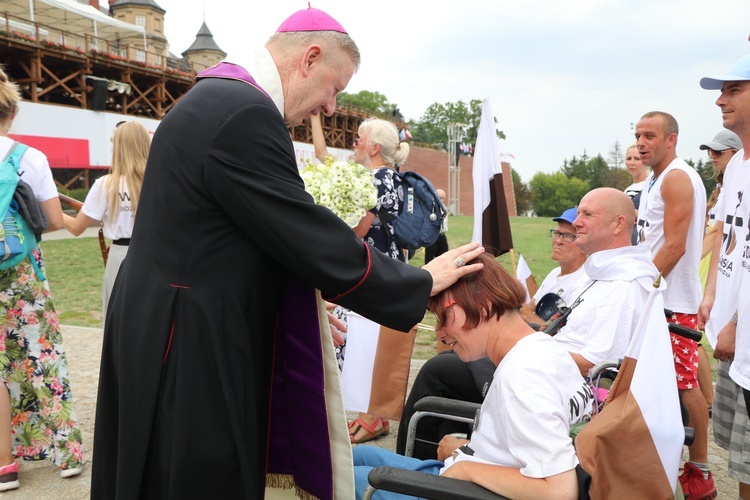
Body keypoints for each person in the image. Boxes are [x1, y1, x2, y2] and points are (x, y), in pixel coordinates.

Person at [89, 8, 485, 500]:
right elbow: (303, 231)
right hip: (190, 334)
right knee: (192, 472)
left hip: (172, 317)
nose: (329, 107)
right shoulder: (244, 114)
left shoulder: (219, 99)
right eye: (333, 88)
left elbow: (241, 233)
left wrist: (303, 305)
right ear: (309, 58)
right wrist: (421, 282)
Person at [353, 253, 595, 500]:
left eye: (443, 318)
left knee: (333, 476)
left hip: (467, 490)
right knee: (352, 456)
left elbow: (560, 492)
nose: (440, 334)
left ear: (484, 306)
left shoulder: (522, 379)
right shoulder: (545, 346)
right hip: (472, 473)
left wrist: (467, 469)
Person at [0, 65, 83, 492]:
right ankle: (66, 453)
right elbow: (52, 221)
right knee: (41, 355)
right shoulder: (28, 158)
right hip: (22, 276)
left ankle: (5, 465)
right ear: (13, 113)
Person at [634, 111, 713, 498]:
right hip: (660, 295)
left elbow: (677, 245)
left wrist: (643, 288)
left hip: (670, 299)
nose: (641, 142)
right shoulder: (656, 178)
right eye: (637, 135)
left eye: (650, 135)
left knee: (684, 384)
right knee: (660, 381)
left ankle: (700, 471)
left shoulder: (678, 176)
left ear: (672, 139)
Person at [698, 55, 750, 500]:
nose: (720, 100)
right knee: (739, 461)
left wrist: (734, 321)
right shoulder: (736, 167)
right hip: (731, 335)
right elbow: (727, 235)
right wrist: (713, 293)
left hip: (744, 334)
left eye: (734, 90)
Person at [346, 116, 412, 444]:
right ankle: (373, 417)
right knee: (373, 342)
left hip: (374, 271)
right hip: (387, 267)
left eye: (359, 138)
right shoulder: (391, 177)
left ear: (373, 147)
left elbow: (360, 229)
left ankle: (370, 417)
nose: (354, 143)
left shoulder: (376, 178)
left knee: (367, 343)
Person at [62, 121, 150, 321]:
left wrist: (49, 207)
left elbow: (77, 228)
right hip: (155, 257)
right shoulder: (162, 181)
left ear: (118, 147)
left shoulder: (106, 185)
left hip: (120, 257)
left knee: (118, 321)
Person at [696, 130, 741, 416]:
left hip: (713, 264)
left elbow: (716, 235)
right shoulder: (721, 187)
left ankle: (709, 401)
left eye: (719, 152)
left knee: (696, 336)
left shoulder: (734, 186)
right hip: (713, 267)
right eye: (710, 152)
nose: (713, 157)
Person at [623, 144, 648, 245]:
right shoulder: (628, 190)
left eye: (637, 159)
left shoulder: (652, 186)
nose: (632, 163)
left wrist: (631, 212)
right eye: (629, 158)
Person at [424, 188, 449, 264]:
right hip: (432, 236)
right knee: (430, 258)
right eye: (439, 197)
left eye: (443, 198)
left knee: (444, 256)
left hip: (441, 235)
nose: (441, 200)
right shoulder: (431, 207)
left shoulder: (444, 208)